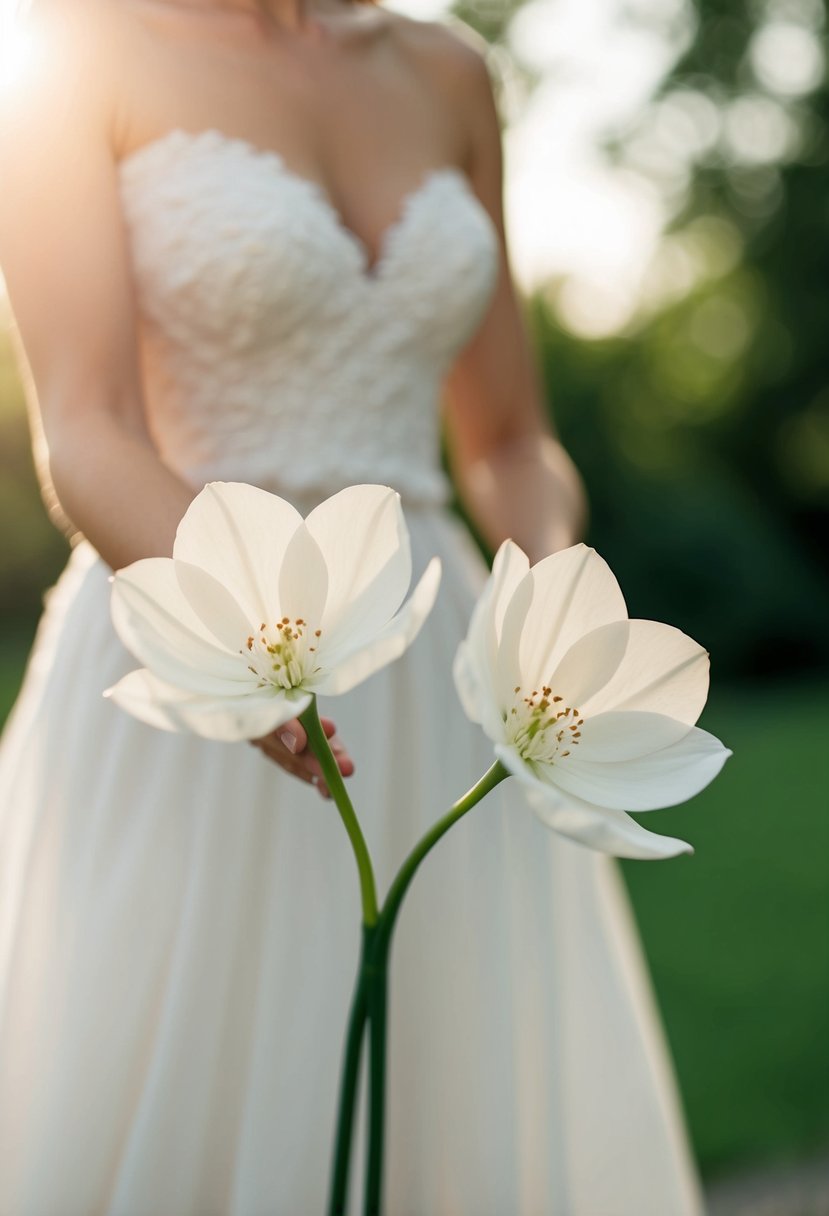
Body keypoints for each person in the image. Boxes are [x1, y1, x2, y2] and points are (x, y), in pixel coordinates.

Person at [0, 0, 705, 1211]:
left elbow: (509, 436)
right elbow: (90, 430)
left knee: (443, 1097)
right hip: (192, 638)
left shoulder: (446, 70)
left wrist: (544, 603)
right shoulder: (75, 56)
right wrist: (242, 631)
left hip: (440, 668)